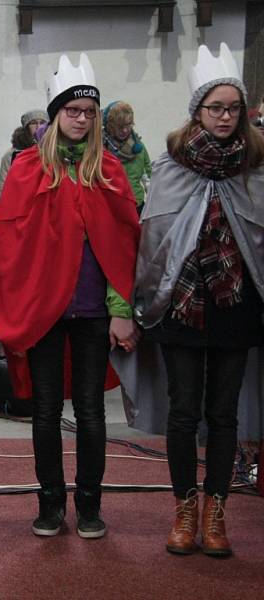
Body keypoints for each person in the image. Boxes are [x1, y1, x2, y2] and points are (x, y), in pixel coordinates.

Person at [0, 53, 140, 539]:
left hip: (95, 310)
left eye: (88, 112)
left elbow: (123, 246)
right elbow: (12, 245)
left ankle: (90, 505)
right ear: (56, 114)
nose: (80, 119)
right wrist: (18, 312)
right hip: (46, 311)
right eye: (72, 110)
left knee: (92, 412)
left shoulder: (110, 170)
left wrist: (122, 311)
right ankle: (51, 503)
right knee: (47, 409)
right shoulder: (28, 168)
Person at [132, 43, 264, 557]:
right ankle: (185, 508)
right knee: (184, 412)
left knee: (224, 413)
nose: (226, 117)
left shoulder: (255, 165)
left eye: (234, 108)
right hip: (181, 304)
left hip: (237, 305)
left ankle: (217, 511)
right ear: (198, 112)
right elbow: (155, 235)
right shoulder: (170, 166)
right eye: (216, 108)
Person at [102, 101, 152, 213]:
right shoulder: (101, 151)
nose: (125, 130)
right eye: (120, 127)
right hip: (113, 210)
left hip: (138, 205)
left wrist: (153, 199)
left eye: (128, 125)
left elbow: (148, 174)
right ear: (110, 126)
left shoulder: (138, 146)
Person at [0, 109, 48, 201]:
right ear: (26, 127)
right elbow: (4, 188)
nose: (38, 126)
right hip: (21, 203)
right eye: (33, 123)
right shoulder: (11, 155)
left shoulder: (53, 150)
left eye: (42, 123)